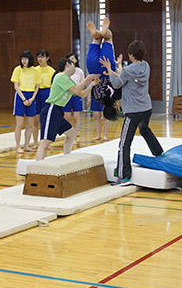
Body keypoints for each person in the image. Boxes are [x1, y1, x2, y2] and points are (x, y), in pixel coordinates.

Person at [100, 40, 163, 185]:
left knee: (124, 143)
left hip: (133, 111)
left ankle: (123, 175)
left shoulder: (128, 70)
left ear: (131, 54)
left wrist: (110, 70)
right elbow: (127, 78)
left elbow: (116, 83)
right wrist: (115, 70)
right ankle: (158, 152)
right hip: (146, 108)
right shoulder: (146, 66)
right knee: (144, 129)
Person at [35, 58, 99, 160]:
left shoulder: (69, 81)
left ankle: (66, 159)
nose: (75, 67)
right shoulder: (60, 76)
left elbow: (81, 94)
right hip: (51, 109)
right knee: (45, 142)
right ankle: (37, 168)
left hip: (58, 111)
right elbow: (76, 89)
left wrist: (91, 85)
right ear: (68, 64)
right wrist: (87, 80)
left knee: (71, 134)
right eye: (73, 64)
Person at [85, 17, 120, 120]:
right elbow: (92, 85)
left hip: (108, 67)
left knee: (108, 37)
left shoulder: (117, 96)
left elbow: (121, 79)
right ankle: (96, 34)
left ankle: (104, 31)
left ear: (115, 107)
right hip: (93, 69)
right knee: (96, 40)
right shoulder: (97, 97)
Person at [11, 50, 39, 153]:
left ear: (29, 59)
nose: (23, 61)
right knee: (19, 124)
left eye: (25, 59)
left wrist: (31, 99)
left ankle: (26, 145)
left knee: (30, 124)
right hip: (20, 96)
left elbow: (37, 87)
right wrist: (23, 99)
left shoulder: (35, 71)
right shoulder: (17, 69)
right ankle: (18, 146)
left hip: (31, 96)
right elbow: (16, 86)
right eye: (22, 59)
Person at [33, 49, 54, 148]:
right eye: (38, 57)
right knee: (35, 120)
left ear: (47, 58)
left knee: (46, 120)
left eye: (42, 56)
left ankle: (46, 142)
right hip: (37, 94)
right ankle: (35, 143)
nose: (40, 59)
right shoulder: (34, 70)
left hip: (47, 94)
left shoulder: (51, 71)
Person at [63, 52, 84, 139]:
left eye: (72, 59)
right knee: (67, 117)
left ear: (75, 60)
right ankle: (68, 134)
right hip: (67, 95)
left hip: (77, 95)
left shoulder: (79, 71)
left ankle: (75, 134)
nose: (70, 61)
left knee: (76, 117)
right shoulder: (65, 71)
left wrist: (82, 94)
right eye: (69, 59)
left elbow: (82, 83)